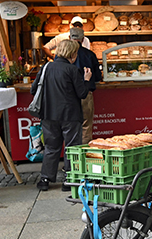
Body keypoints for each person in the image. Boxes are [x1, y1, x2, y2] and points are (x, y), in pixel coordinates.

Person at [33, 40, 92, 191]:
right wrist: (86, 80)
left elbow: (34, 90)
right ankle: (69, 181)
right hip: (70, 115)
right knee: (71, 147)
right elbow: (82, 93)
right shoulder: (72, 70)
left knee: (51, 147)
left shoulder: (46, 68)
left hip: (49, 114)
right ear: (72, 54)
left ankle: (45, 179)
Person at [69, 28, 102, 144]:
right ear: (83, 39)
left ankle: (71, 158)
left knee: (69, 127)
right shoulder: (89, 55)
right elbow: (98, 77)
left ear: (69, 38)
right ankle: (84, 156)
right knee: (86, 127)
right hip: (85, 94)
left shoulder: (62, 56)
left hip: (68, 95)